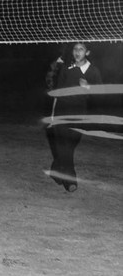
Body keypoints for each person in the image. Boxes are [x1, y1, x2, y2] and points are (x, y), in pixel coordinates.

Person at [46, 42, 102, 192]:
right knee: (65, 146)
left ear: (87, 52)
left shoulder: (93, 71)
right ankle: (71, 180)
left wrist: (88, 87)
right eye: (75, 49)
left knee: (70, 145)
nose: (77, 52)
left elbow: (100, 93)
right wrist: (52, 116)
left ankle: (56, 169)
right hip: (61, 111)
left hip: (79, 113)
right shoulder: (66, 68)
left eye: (81, 49)